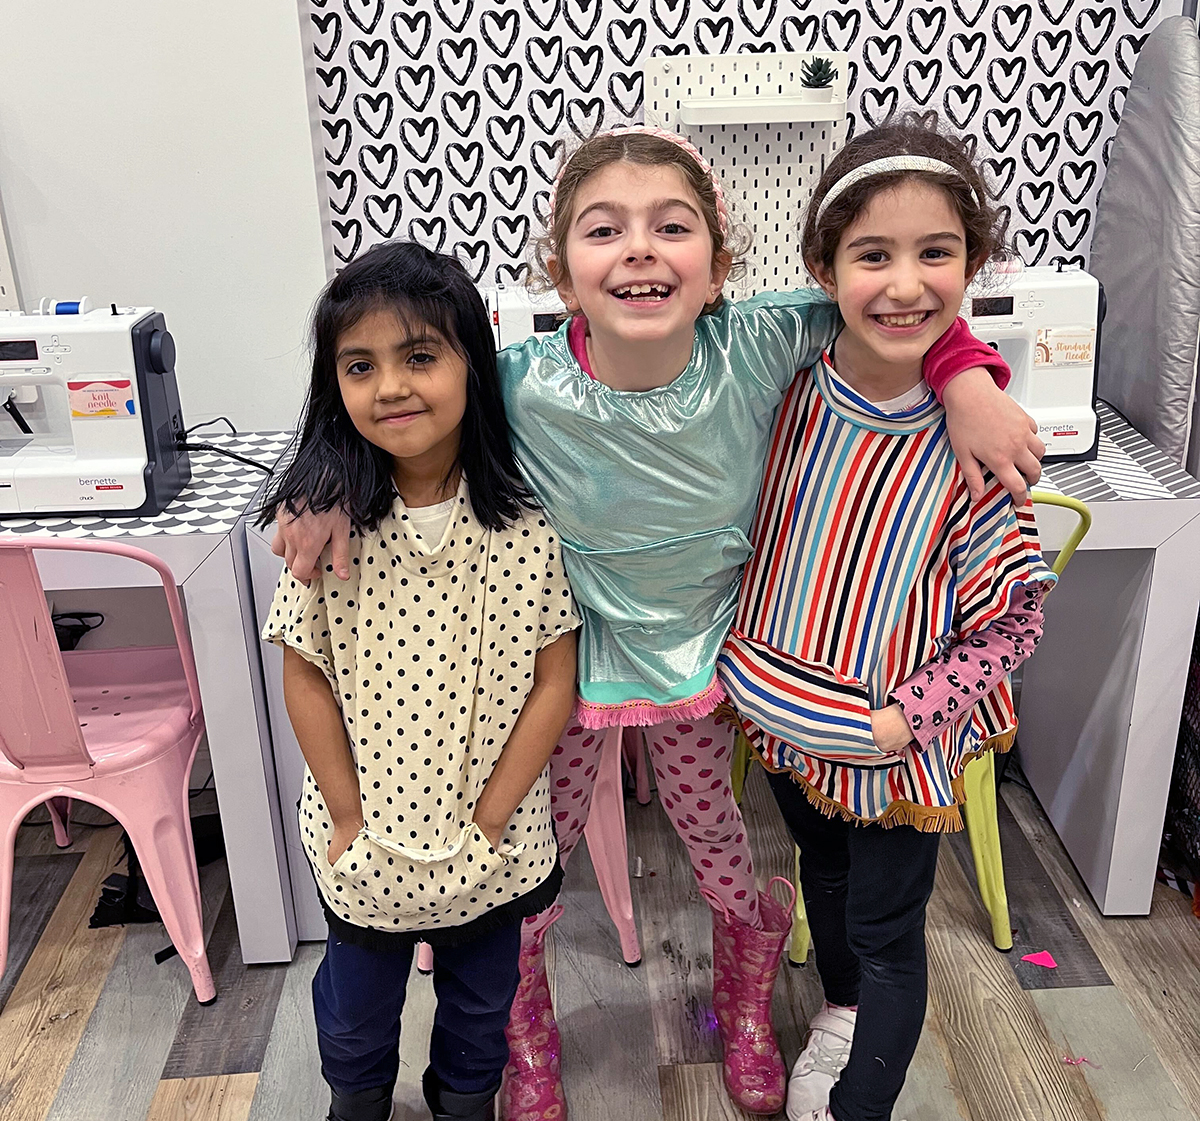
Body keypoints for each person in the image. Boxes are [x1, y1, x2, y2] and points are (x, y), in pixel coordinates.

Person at [274, 126, 1044, 1120]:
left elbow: (897, 300)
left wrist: (968, 379)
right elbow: (402, 412)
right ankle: (527, 1033)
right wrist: (323, 487)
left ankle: (744, 1001)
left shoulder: (762, 340)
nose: (639, 248)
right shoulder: (518, 383)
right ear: (560, 271)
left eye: (670, 227)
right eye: (606, 230)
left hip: (705, 667)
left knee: (721, 848)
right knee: (531, 866)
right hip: (564, 675)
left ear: (719, 265)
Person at [716, 114, 1057, 1121]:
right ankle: (841, 1013)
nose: (906, 284)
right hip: (786, 717)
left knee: (888, 927)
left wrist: (906, 720)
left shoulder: (974, 449)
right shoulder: (787, 388)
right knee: (821, 868)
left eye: (935, 253)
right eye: (874, 254)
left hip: (891, 744)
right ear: (825, 266)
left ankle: (863, 1100)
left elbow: (1011, 623)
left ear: (974, 261)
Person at [259, 242, 581, 1121]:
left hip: (494, 845)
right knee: (358, 1012)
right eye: (361, 366)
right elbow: (305, 673)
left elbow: (556, 679)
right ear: (336, 385)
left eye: (421, 356)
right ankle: (356, 1102)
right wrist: (352, 817)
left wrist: (489, 818)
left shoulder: (527, 521)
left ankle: (465, 1102)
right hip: (367, 845)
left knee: (482, 1008)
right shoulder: (330, 526)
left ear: (472, 364)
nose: (391, 385)